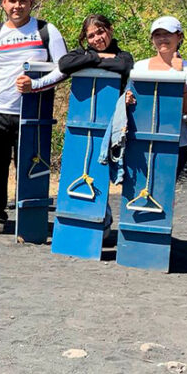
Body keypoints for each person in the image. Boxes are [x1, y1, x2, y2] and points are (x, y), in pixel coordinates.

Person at [17, 14, 133, 238]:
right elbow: (65, 64)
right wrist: (98, 58)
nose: (97, 38)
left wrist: (91, 59)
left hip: (115, 126)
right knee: (83, 167)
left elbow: (122, 65)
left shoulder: (124, 56)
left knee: (103, 170)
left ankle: (103, 219)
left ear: (111, 29)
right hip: (82, 122)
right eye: (91, 36)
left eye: (101, 32)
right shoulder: (81, 53)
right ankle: (91, 222)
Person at [0, 0, 67, 236]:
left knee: (31, 167)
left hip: (33, 114)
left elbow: (63, 67)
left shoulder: (46, 31)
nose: (17, 6)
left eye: (23, 1)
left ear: (31, 3)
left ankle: (31, 219)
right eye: (12, 1)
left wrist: (36, 85)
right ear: (3, 3)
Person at [129, 16, 187, 174]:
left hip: (176, 141)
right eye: (157, 35)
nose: (162, 39)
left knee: (166, 191)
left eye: (167, 34)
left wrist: (178, 75)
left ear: (179, 36)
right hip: (140, 138)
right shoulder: (140, 66)